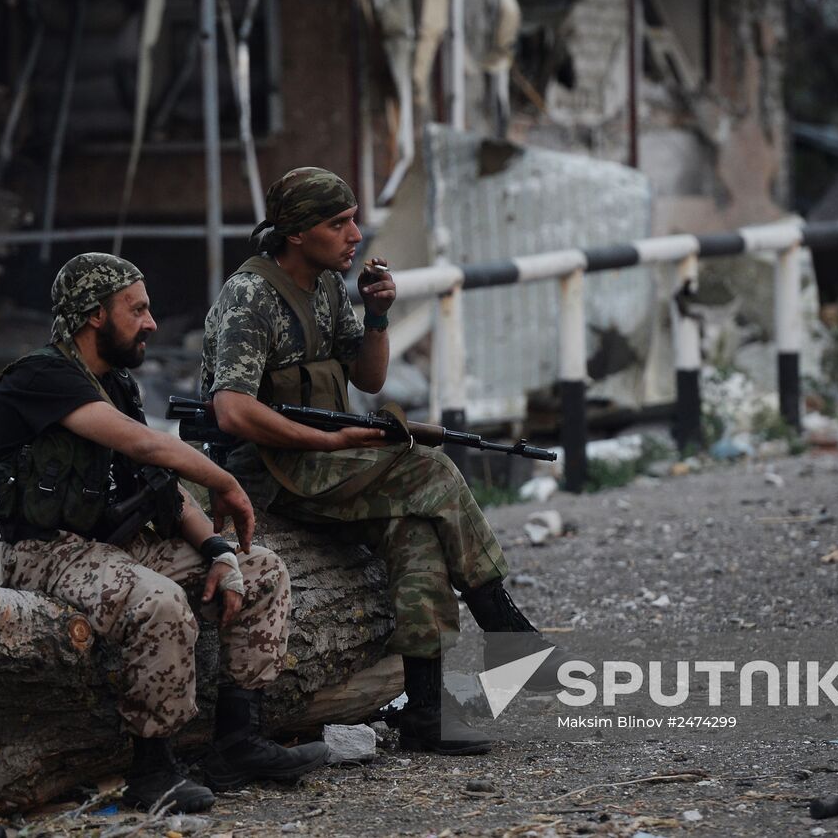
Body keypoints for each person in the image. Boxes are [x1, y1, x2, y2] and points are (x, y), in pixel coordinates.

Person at [200, 167, 571, 756]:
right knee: (431, 469)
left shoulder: (325, 286)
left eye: (353, 220)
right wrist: (328, 442)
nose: (354, 235)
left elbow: (368, 376)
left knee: (417, 531)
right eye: (337, 223)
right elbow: (232, 412)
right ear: (296, 233)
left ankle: (426, 711)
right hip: (269, 474)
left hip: (321, 468)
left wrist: (376, 316)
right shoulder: (252, 297)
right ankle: (506, 626)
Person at [0, 252, 329, 812]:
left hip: (118, 547)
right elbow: (146, 444)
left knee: (261, 567)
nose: (152, 322)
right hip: (48, 555)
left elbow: (158, 483)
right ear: (96, 315)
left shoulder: (116, 386)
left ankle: (239, 741)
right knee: (159, 603)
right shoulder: (42, 378)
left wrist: (218, 550)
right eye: (137, 309)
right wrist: (224, 482)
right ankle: (152, 767)